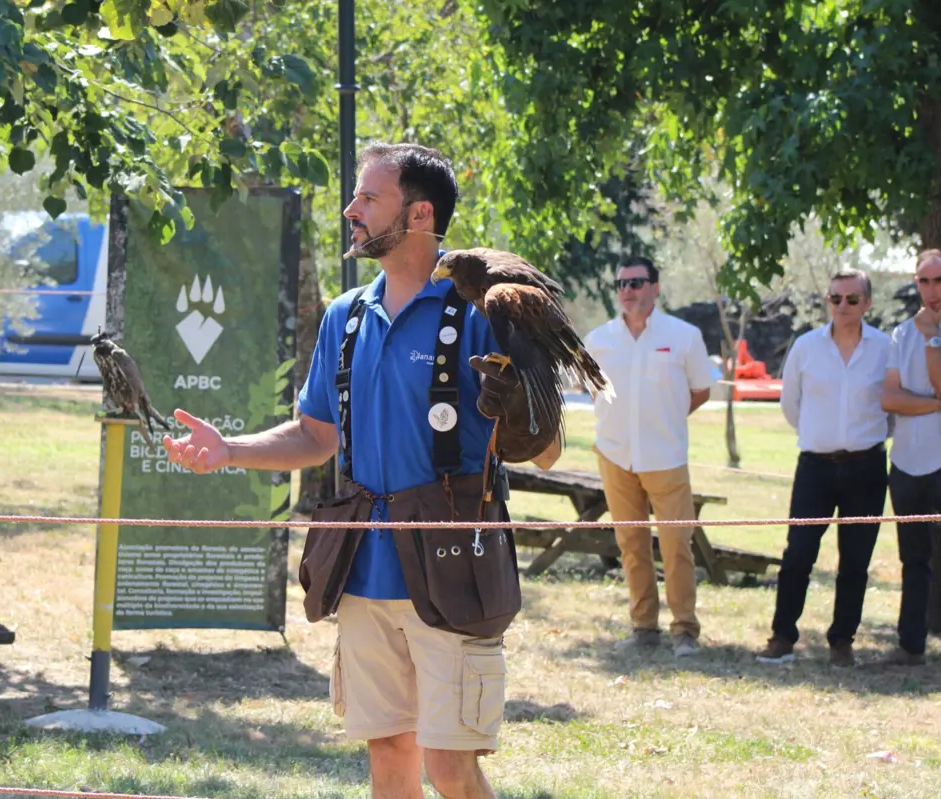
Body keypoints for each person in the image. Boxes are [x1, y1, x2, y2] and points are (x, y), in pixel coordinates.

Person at [163, 142, 561, 799]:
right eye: (355, 196)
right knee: (389, 757)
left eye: (368, 198)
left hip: (453, 564)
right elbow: (316, 434)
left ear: (421, 212)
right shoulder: (345, 318)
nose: (351, 210)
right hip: (363, 568)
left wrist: (520, 416)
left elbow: (545, 450)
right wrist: (230, 449)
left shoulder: (485, 312)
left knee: (450, 766)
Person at [755, 267, 892, 667]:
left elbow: (893, 410)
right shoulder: (806, 346)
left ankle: (841, 642)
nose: (843, 306)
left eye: (852, 299)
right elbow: (791, 404)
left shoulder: (885, 348)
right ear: (826, 301)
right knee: (798, 553)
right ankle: (782, 636)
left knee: (855, 560)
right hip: (815, 466)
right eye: (835, 298)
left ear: (867, 303)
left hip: (867, 466)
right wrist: (821, 437)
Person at [583, 256, 713, 656]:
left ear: (655, 287)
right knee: (631, 545)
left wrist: (665, 419)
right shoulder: (598, 339)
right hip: (615, 455)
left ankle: (684, 631)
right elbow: (590, 390)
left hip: (666, 456)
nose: (627, 290)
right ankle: (644, 628)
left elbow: (700, 390)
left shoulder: (685, 335)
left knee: (676, 546)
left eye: (636, 283)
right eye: (621, 284)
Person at [880, 249, 941, 675]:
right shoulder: (900, 334)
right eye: (924, 281)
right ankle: (910, 647)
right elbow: (889, 398)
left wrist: (932, 336)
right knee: (912, 558)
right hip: (904, 462)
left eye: (939, 280)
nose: (932, 290)